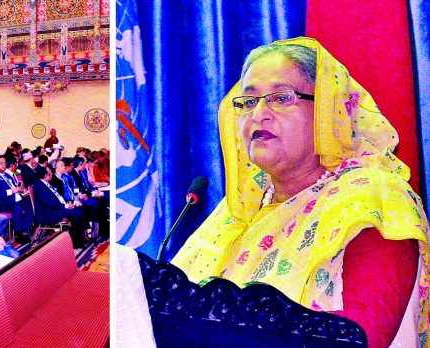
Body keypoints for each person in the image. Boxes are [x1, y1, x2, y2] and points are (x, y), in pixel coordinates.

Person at [171, 38, 430, 347]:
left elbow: (361, 337)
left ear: (328, 110)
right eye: (249, 101)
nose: (258, 114)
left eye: (281, 98)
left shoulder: (376, 200)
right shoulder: (237, 209)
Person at [32, 166, 88, 248]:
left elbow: (57, 198)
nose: (51, 175)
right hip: (47, 213)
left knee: (81, 209)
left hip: (54, 209)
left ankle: (80, 239)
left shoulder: (45, 183)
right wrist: (65, 206)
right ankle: (77, 242)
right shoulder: (39, 186)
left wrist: (70, 203)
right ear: (45, 176)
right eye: (50, 174)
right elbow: (49, 203)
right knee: (77, 213)